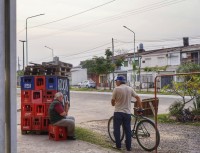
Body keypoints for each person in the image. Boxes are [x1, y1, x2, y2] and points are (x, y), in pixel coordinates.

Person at [111, 76, 143, 151]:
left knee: (117, 130)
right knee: (128, 130)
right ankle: (128, 147)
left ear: (119, 81)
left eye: (116, 81)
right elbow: (138, 98)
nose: (115, 82)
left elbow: (112, 101)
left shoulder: (116, 89)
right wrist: (140, 107)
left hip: (118, 112)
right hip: (127, 113)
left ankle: (118, 146)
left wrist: (113, 103)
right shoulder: (130, 89)